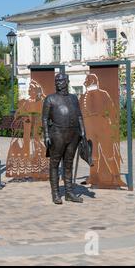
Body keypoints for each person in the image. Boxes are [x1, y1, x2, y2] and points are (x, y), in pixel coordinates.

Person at [42, 73, 86, 205]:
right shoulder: (50, 99)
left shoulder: (73, 98)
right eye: (56, 81)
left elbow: (79, 116)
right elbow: (44, 119)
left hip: (73, 135)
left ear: (67, 81)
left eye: (61, 80)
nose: (58, 83)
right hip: (58, 134)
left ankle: (69, 192)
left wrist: (83, 132)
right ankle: (55, 193)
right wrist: (47, 135)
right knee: (54, 164)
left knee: (68, 164)